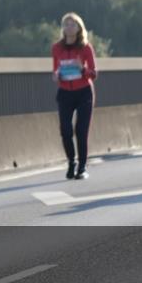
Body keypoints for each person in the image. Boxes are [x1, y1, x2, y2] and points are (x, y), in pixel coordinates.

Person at [51, 12, 98, 180]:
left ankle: (82, 167)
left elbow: (93, 74)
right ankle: (71, 162)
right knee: (65, 130)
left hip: (84, 92)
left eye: (73, 24)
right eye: (66, 24)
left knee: (81, 130)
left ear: (79, 28)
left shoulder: (85, 47)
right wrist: (56, 76)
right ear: (63, 28)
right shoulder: (57, 48)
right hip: (65, 93)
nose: (69, 27)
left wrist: (82, 68)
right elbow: (56, 69)